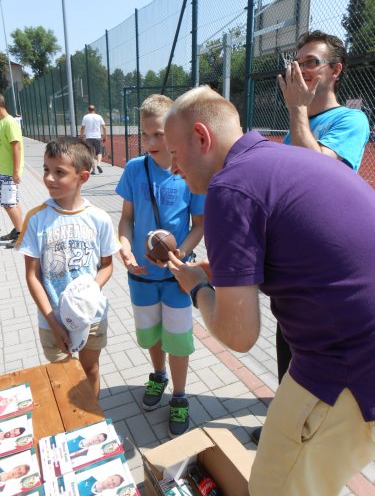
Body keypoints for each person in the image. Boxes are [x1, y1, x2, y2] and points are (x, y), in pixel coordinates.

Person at [164, 85, 375, 496]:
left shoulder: (230, 187)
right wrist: (226, 278)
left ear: (202, 138)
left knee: (273, 488)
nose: (173, 168)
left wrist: (199, 287)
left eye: (174, 153)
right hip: (356, 351)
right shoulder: (287, 156)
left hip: (348, 367)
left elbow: (239, 335)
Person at [252, 29, 371, 446]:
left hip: (326, 272)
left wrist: (297, 111)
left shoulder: (350, 120)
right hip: (292, 267)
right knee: (289, 349)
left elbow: (323, 175)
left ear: (335, 71)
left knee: (316, 360)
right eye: (297, 61)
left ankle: (307, 439)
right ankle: (284, 422)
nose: (300, 69)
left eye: (311, 62)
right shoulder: (295, 122)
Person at [115, 94, 205, 438]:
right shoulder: (135, 169)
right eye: (145, 135)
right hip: (141, 276)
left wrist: (179, 253)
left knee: (178, 339)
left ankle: (180, 396)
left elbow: (199, 225)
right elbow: (126, 220)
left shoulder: (188, 171)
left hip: (176, 279)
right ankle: (158, 376)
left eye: (158, 134)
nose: (151, 142)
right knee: (152, 334)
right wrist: (125, 247)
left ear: (174, 131)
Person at [16, 137, 119, 399]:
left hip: (91, 317)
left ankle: (92, 424)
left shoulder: (99, 218)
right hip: (52, 321)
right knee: (62, 379)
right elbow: (32, 276)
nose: (49, 178)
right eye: (46, 169)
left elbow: (107, 265)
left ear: (83, 177)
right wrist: (53, 321)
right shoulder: (37, 219)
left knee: (91, 370)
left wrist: (89, 291)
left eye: (59, 172)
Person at [0, 94, 24, 248]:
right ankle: (18, 230)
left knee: (9, 204)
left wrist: (15, 171)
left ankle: (21, 236)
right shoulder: (2, 122)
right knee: (12, 203)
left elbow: (16, 146)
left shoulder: (9, 122)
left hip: (9, 171)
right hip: (4, 170)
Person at [80, 105, 107, 175]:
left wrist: (81, 136)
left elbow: (82, 128)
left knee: (91, 153)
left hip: (88, 137)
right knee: (99, 152)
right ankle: (99, 164)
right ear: (95, 109)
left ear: (88, 110)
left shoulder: (85, 117)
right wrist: (105, 136)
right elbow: (104, 127)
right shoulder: (99, 116)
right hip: (97, 137)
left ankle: (94, 169)